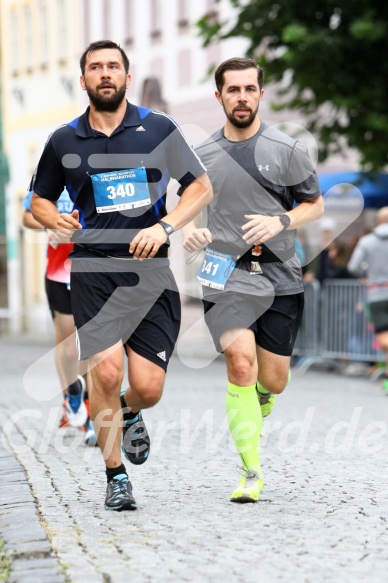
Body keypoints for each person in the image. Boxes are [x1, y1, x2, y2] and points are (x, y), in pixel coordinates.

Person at [30, 40, 212, 511]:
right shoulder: (64, 139)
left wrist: (165, 225)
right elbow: (41, 198)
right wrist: (53, 219)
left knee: (147, 386)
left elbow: (200, 187)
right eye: (96, 67)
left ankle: (129, 412)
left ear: (127, 77)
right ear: (85, 78)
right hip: (92, 269)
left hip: (150, 273)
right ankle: (116, 477)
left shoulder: (157, 129)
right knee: (106, 374)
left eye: (113, 66)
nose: (105, 73)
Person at [182, 57, 324, 503]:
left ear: (261, 93)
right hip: (223, 270)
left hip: (279, 272)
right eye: (232, 90)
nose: (241, 97)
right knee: (240, 362)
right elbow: (185, 208)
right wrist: (191, 230)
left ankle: (259, 397)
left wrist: (280, 221)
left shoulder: (287, 149)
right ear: (219, 95)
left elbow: (314, 205)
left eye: (248, 89)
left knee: (274, 379)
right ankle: (250, 471)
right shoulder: (201, 156)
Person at [22, 189, 97, 446]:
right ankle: (71, 393)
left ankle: (91, 417)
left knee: (85, 344)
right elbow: (27, 216)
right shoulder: (47, 172)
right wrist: (49, 225)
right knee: (66, 345)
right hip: (58, 272)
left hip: (90, 269)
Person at [348, 207, 388, 393]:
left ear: (378, 222)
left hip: (377, 293)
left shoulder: (367, 241)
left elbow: (353, 266)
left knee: (384, 338)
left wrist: (368, 273)